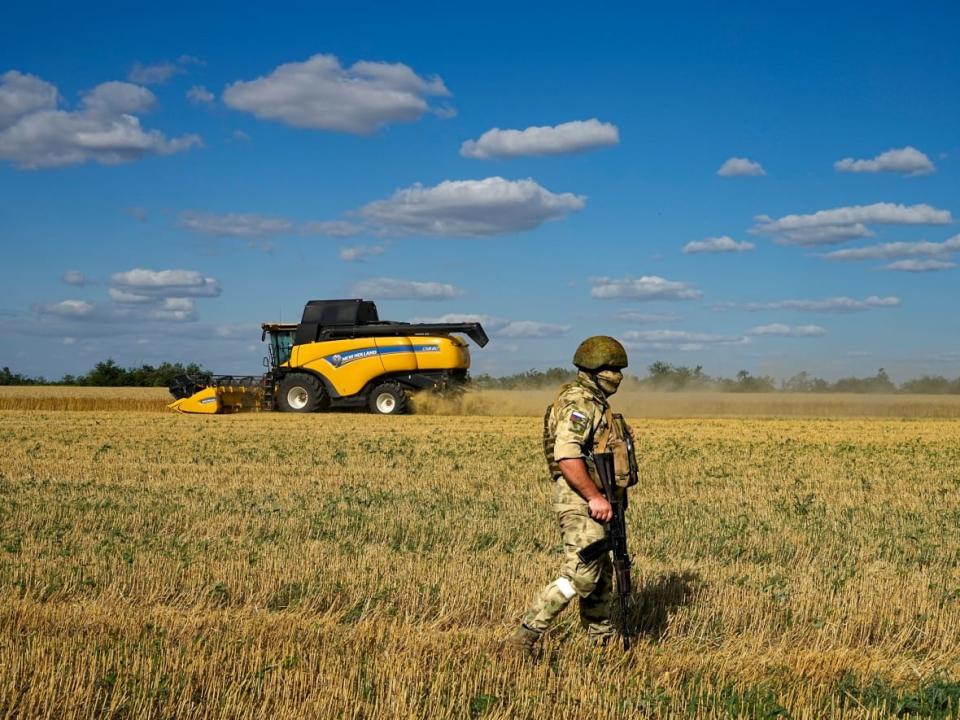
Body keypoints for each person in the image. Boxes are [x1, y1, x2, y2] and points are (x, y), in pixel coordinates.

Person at [507, 335, 629, 656]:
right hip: (580, 498)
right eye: (610, 368)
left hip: (595, 498)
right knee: (580, 573)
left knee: (600, 573)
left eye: (619, 368)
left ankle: (600, 643)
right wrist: (594, 497)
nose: (617, 375)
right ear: (590, 370)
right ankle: (525, 637)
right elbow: (567, 457)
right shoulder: (580, 404)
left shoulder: (594, 401)